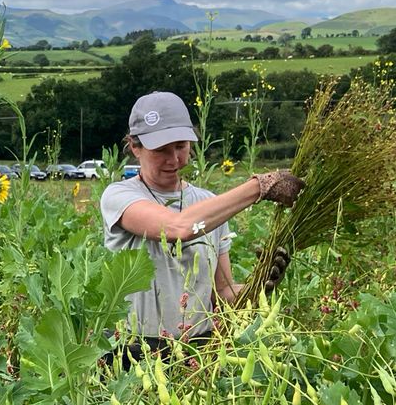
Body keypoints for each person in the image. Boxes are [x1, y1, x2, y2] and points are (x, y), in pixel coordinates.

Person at [100, 91, 304, 362]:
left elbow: (222, 293)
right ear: (135, 147)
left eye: (181, 146)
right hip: (134, 353)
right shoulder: (119, 197)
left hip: (197, 352)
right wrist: (260, 186)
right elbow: (178, 228)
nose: (174, 160)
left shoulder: (207, 203)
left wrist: (259, 284)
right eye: (161, 150)